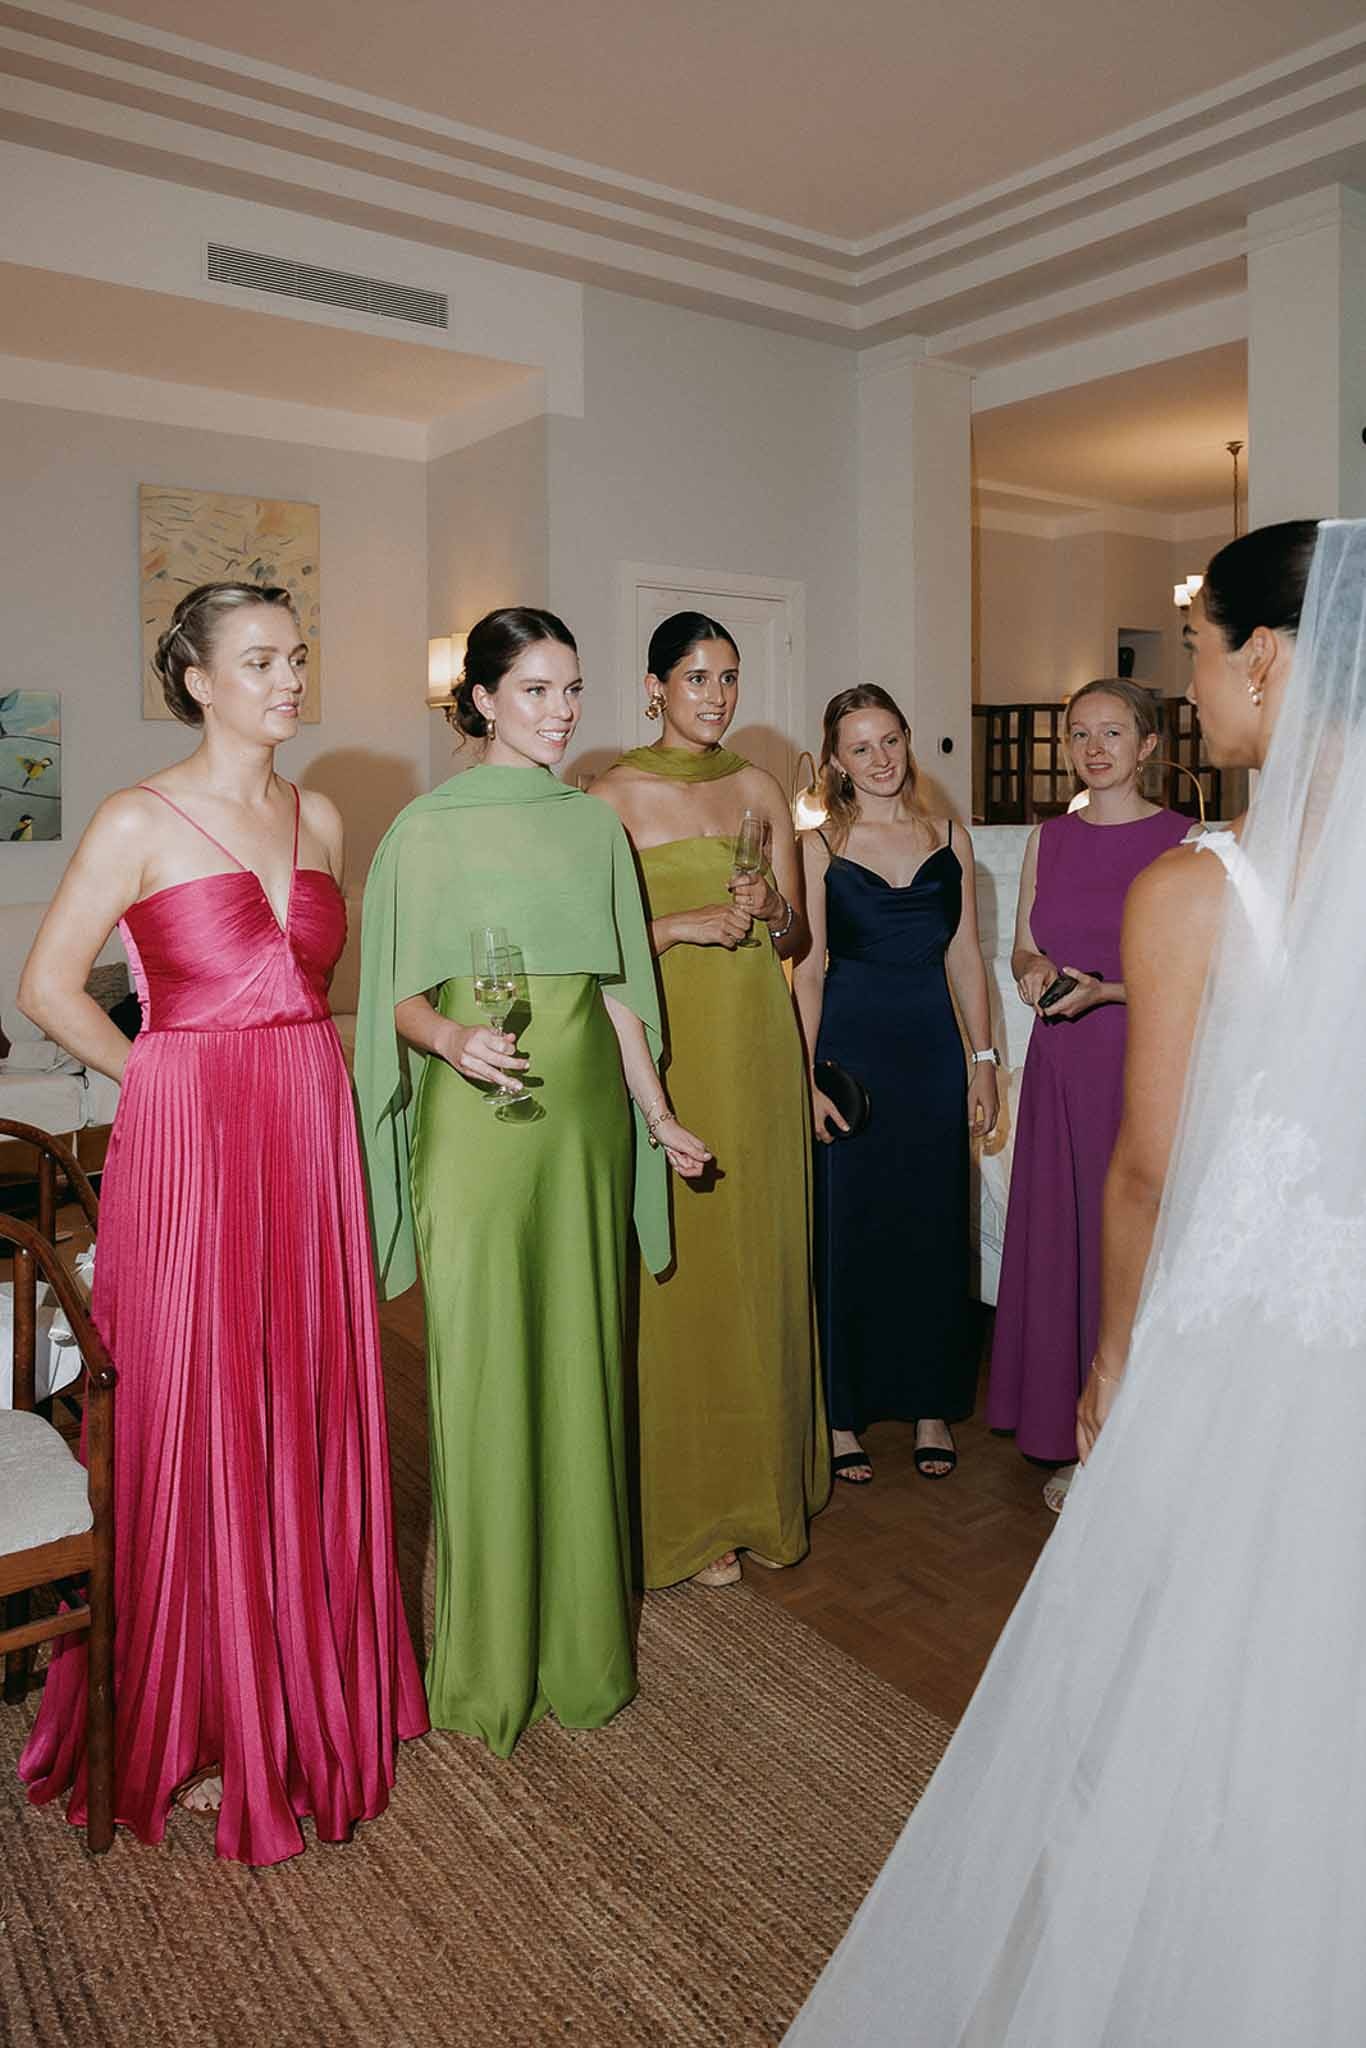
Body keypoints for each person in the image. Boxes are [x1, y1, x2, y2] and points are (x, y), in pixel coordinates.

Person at [784, 518, 1350, 2047]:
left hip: (1258, 1318)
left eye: (1198, 656)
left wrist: (1111, 1366)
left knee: (1218, 1646)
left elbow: (1148, 1176)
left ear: (1269, 660)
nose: (1187, 689)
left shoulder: (1200, 883)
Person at [17, 581, 428, 1865]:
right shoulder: (139, 816)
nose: (289, 679)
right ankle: (198, 1708)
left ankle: (307, 1686)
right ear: (198, 679)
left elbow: (312, 983)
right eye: (259, 660)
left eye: (297, 656)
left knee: (301, 1395)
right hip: (188, 1133)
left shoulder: (323, 813)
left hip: (309, 1123)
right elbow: (42, 984)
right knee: (194, 1403)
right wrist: (153, 1071)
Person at [354, 607, 709, 1756]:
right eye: (539, 691)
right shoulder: (420, 830)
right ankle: (490, 1660)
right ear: (484, 700)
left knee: (582, 1367)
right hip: (475, 1130)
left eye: (572, 690)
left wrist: (658, 1117)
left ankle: (582, 1649)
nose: (562, 713)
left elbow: (616, 996)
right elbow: (396, 1001)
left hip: (583, 1133)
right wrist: (450, 1043)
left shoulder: (592, 827)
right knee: (485, 1369)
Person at [592, 612, 829, 1589]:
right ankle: (687, 1503)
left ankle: (763, 1479)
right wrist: (685, 922)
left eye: (727, 677)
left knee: (761, 1256)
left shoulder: (760, 786)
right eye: (696, 677)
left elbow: (795, 938)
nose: (716, 695)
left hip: (756, 1047)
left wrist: (771, 909)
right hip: (670, 1046)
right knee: (681, 1270)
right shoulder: (607, 797)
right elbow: (593, 949)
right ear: (651, 684)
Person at [986, 677, 1189, 1510]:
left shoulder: (1187, 841)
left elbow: (1202, 979)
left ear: (1147, 746)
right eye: (1080, 734)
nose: (1093, 747)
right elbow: (1025, 946)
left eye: (1112, 733)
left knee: (1131, 1245)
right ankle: (1074, 1429)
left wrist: (1106, 992)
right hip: (1062, 1068)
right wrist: (1033, 975)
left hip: (1142, 1062)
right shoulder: (1050, 839)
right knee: (1067, 1239)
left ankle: (1145, 1436)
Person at [793, 686, 998, 1484]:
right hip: (851, 1051)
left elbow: (965, 958)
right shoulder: (820, 846)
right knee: (849, 1226)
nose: (879, 760)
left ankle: (928, 1404)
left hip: (930, 1051)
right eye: (859, 748)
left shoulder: (950, 836)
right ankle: (841, 1412)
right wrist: (805, 1074)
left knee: (932, 1222)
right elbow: (808, 969)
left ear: (908, 741)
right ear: (837, 762)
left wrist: (982, 1062)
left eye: (889, 741)